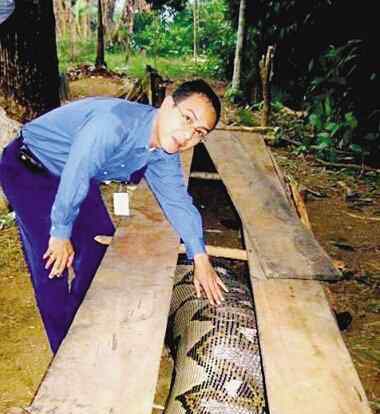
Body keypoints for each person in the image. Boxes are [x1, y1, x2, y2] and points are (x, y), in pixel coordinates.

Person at [0, 79, 228, 354]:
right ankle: (66, 353)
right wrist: (60, 233)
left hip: (75, 176)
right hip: (30, 169)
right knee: (53, 264)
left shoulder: (162, 152)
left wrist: (200, 257)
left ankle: (80, 323)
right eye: (187, 118)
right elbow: (78, 172)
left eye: (198, 132)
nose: (187, 134)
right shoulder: (112, 124)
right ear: (168, 104)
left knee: (99, 245)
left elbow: (179, 201)